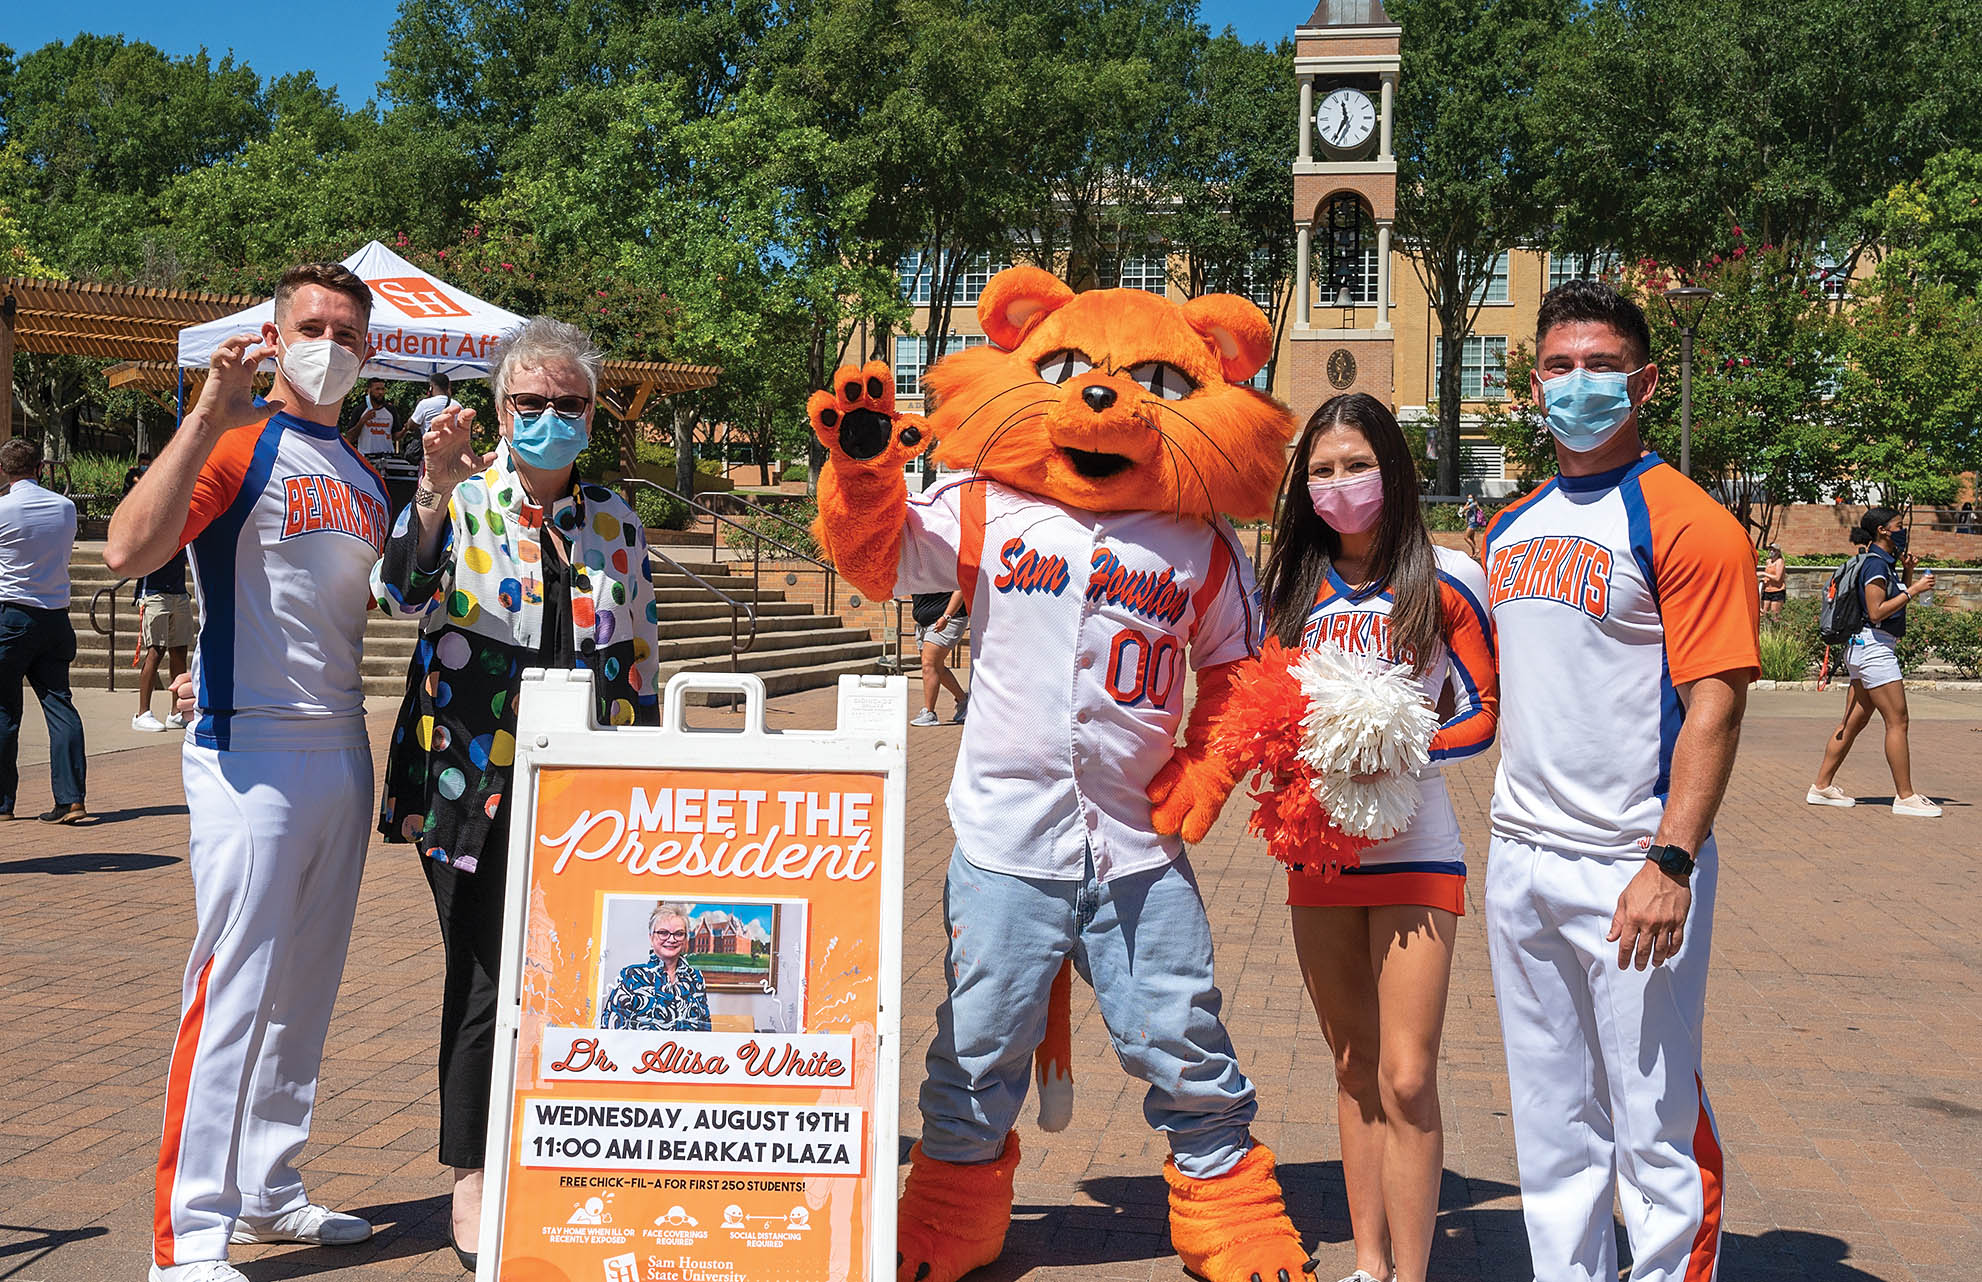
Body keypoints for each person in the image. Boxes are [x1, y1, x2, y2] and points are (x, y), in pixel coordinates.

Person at [106, 261, 389, 1282]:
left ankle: (271, 1186)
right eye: (314, 324)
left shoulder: (362, 474)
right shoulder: (234, 442)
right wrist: (202, 413)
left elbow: (380, 602)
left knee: (305, 987)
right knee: (231, 989)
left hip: (339, 744)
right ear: (276, 335)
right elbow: (129, 551)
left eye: (350, 331)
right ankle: (187, 1236)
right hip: (248, 748)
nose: (331, 343)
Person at [1482, 280, 1758, 1282]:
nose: (1577, 382)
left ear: (1641, 381)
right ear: (1533, 382)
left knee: (1652, 1120)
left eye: (1600, 365)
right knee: (1550, 1115)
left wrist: (1670, 858)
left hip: (1627, 864)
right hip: (1518, 856)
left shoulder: (1689, 523)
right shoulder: (1507, 527)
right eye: (1557, 365)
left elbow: (1716, 702)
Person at [372, 314, 659, 1272]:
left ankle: (564, 1149)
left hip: (591, 785)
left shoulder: (616, 520)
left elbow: (641, 657)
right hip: (470, 783)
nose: (548, 418)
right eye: (529, 403)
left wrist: (652, 771)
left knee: (582, 970)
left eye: (567, 405)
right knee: (490, 972)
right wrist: (430, 492)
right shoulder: (460, 499)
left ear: (591, 415)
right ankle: (474, 1173)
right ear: (500, 409)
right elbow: (399, 594)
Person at [1254, 394, 1497, 1282]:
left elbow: (1481, 714)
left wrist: (1391, 739)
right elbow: (1265, 709)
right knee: (1354, 1067)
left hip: (1416, 848)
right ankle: (1368, 1264)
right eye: (1321, 469)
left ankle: (1414, 1272)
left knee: (1405, 1076)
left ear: (1394, 469)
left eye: (1357, 464)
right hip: (1319, 851)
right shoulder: (1285, 586)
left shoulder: (1451, 574)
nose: (1339, 483)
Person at [1806, 507, 1939, 817]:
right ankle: (1905, 797)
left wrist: (1906, 576)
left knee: (1853, 722)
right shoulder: (1876, 564)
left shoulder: (1878, 562)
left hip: (1863, 648)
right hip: (1874, 649)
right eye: (1899, 525)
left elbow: (1886, 604)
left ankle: (1821, 787)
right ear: (1883, 530)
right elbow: (1877, 611)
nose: (1903, 530)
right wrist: (1916, 589)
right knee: (1898, 721)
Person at [0, 437, 87, 823]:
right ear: (40, 467)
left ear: (4, 471)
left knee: (4, 709)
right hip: (55, 615)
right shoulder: (64, 507)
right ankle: (71, 799)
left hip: (11, 615)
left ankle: (3, 803)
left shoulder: (3, 509)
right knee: (59, 703)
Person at [599, 902, 715, 1033]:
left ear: (686, 939)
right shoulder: (632, 976)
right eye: (663, 933)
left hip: (686, 1053)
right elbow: (610, 1029)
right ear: (651, 937)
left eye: (679, 933)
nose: (671, 939)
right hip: (644, 1053)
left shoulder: (696, 978)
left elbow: (705, 1029)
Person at [131, 548, 195, 732]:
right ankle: (142, 713)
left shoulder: (183, 527)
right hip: (154, 593)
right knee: (155, 652)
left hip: (179, 592)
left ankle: (176, 712)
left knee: (179, 652)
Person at [909, 589, 968, 726]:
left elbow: (960, 589)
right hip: (924, 622)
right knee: (936, 667)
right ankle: (963, 701)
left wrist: (946, 617)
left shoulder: (947, 567)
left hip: (948, 618)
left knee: (929, 664)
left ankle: (929, 713)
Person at [352, 377, 398, 458]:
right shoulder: (360, 410)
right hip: (365, 458)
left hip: (386, 457)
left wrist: (406, 429)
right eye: (377, 389)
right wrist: (362, 421)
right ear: (369, 391)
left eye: (383, 389)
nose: (380, 392)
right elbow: (350, 438)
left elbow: (395, 436)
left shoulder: (391, 410)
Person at [412, 370, 461, 438]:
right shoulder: (457, 405)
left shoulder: (424, 404)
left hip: (431, 445)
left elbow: (412, 425)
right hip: (452, 446)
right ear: (448, 386)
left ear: (431, 387)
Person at [1760, 543, 1787, 620]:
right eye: (1770, 549)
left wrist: (1763, 573)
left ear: (1778, 552)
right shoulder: (1768, 561)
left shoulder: (1780, 562)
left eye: (1774, 550)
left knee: (1774, 616)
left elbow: (1777, 578)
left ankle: (1776, 630)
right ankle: (1766, 630)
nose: (1771, 551)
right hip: (1767, 590)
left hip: (1777, 591)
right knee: (1764, 613)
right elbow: (1767, 577)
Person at [1460, 493, 1486, 559]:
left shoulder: (1474, 504)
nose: (1469, 499)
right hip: (1471, 523)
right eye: (1468, 498)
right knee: (1471, 538)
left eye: (1471, 498)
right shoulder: (1471, 504)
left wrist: (1467, 503)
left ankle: (1476, 549)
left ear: (1473, 498)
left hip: (1473, 523)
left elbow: (1464, 508)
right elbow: (1463, 511)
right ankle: (1473, 553)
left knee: (1466, 537)